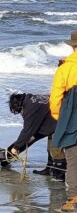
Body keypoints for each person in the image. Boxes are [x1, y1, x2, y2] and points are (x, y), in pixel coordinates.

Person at [4, 93, 66, 181]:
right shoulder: (31, 99)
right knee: (50, 148)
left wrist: (15, 147)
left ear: (19, 105)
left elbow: (27, 131)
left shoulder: (30, 108)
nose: (21, 113)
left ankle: (60, 175)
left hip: (62, 121)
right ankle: (50, 169)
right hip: (54, 119)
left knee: (56, 149)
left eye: (19, 111)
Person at [50, 29, 77, 212]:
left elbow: (55, 100)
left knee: (73, 160)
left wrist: (61, 119)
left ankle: (73, 198)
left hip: (72, 117)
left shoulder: (65, 68)